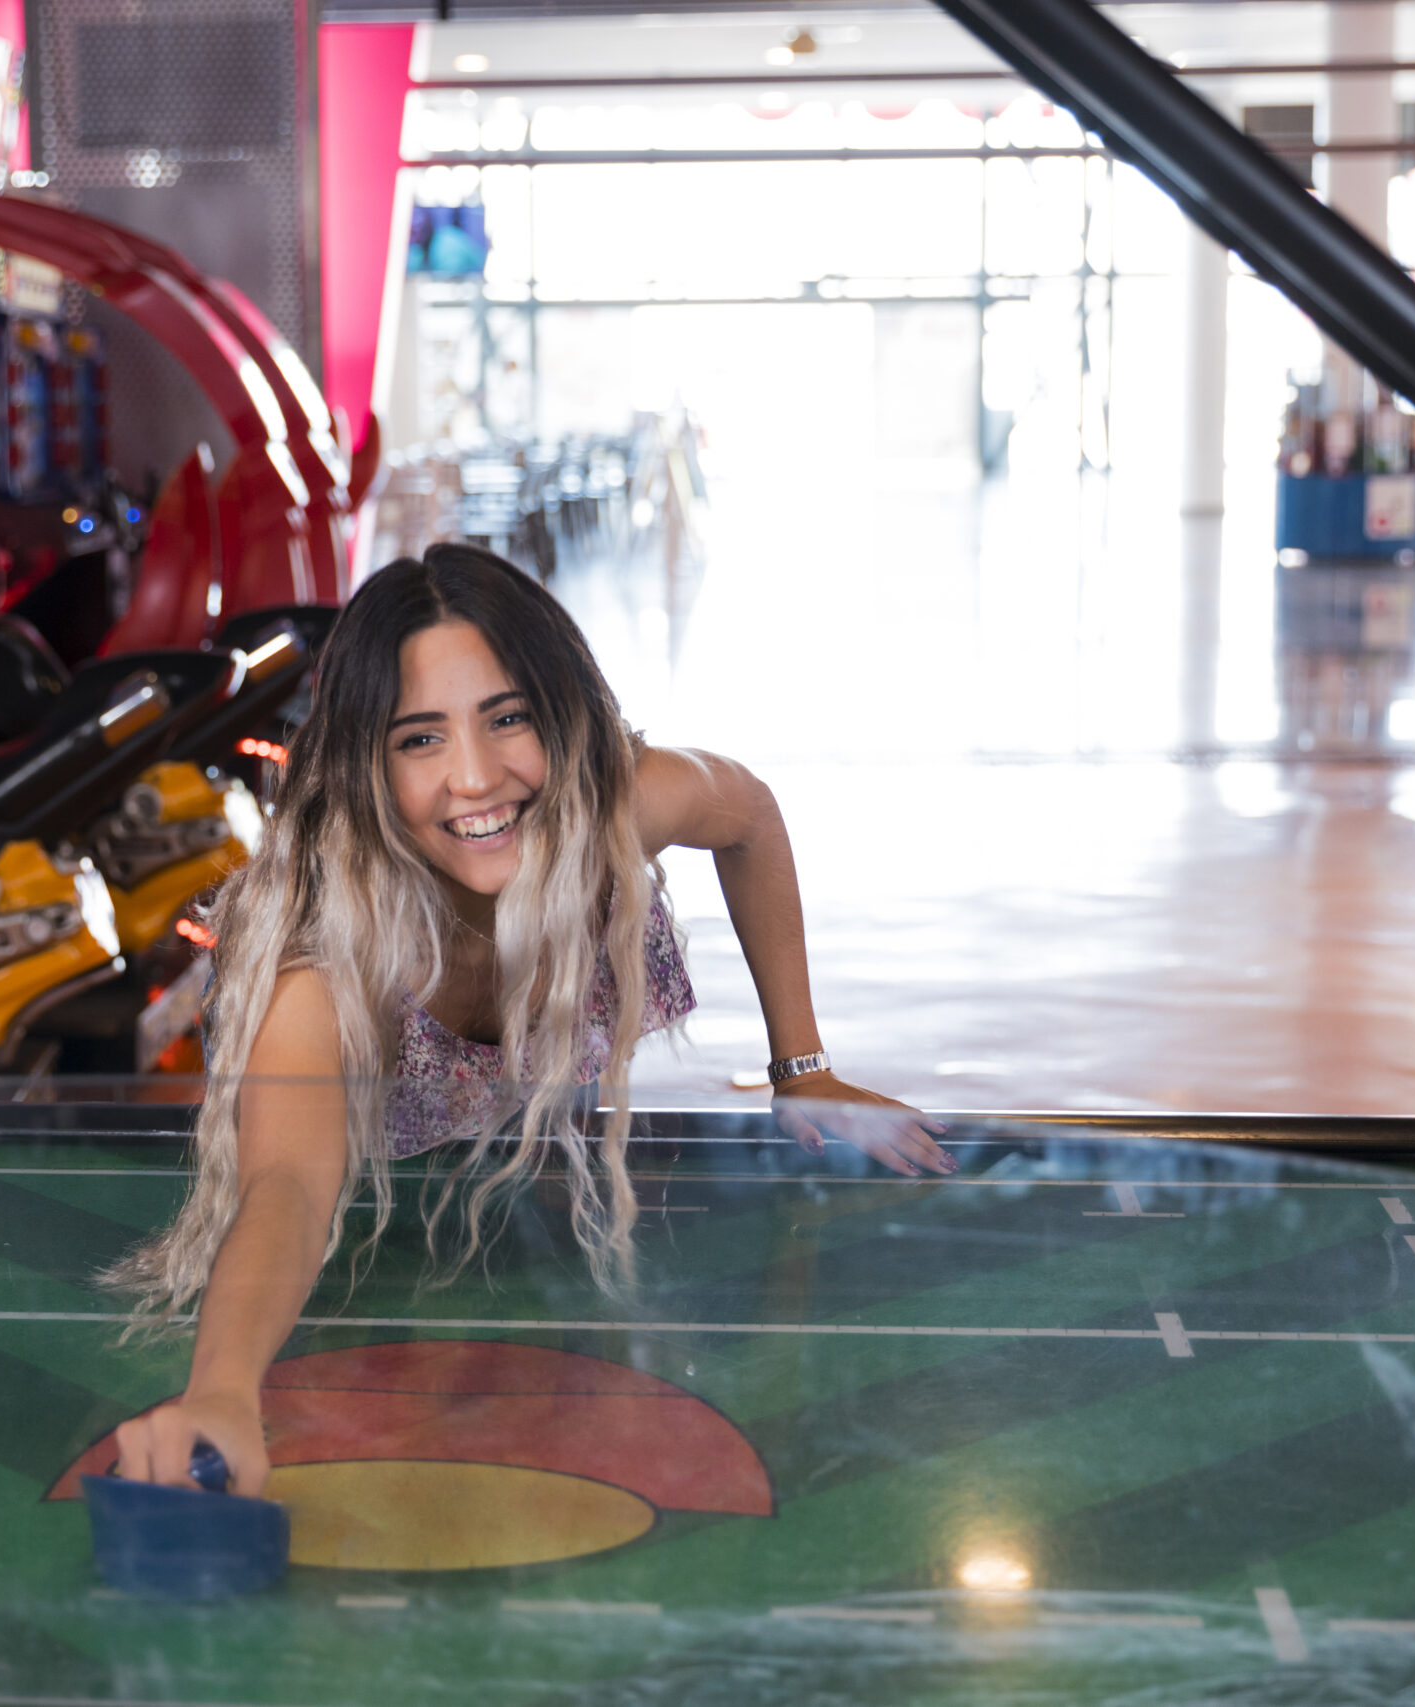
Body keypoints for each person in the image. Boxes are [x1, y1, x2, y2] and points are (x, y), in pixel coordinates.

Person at [104, 544, 949, 1494]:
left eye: (506, 718)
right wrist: (222, 1391)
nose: (474, 777)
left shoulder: (608, 808)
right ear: (365, 766)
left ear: (560, 713)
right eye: (419, 738)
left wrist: (802, 1068)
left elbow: (749, 813)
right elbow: (290, 1187)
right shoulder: (329, 956)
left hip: (530, 1171)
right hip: (368, 1222)